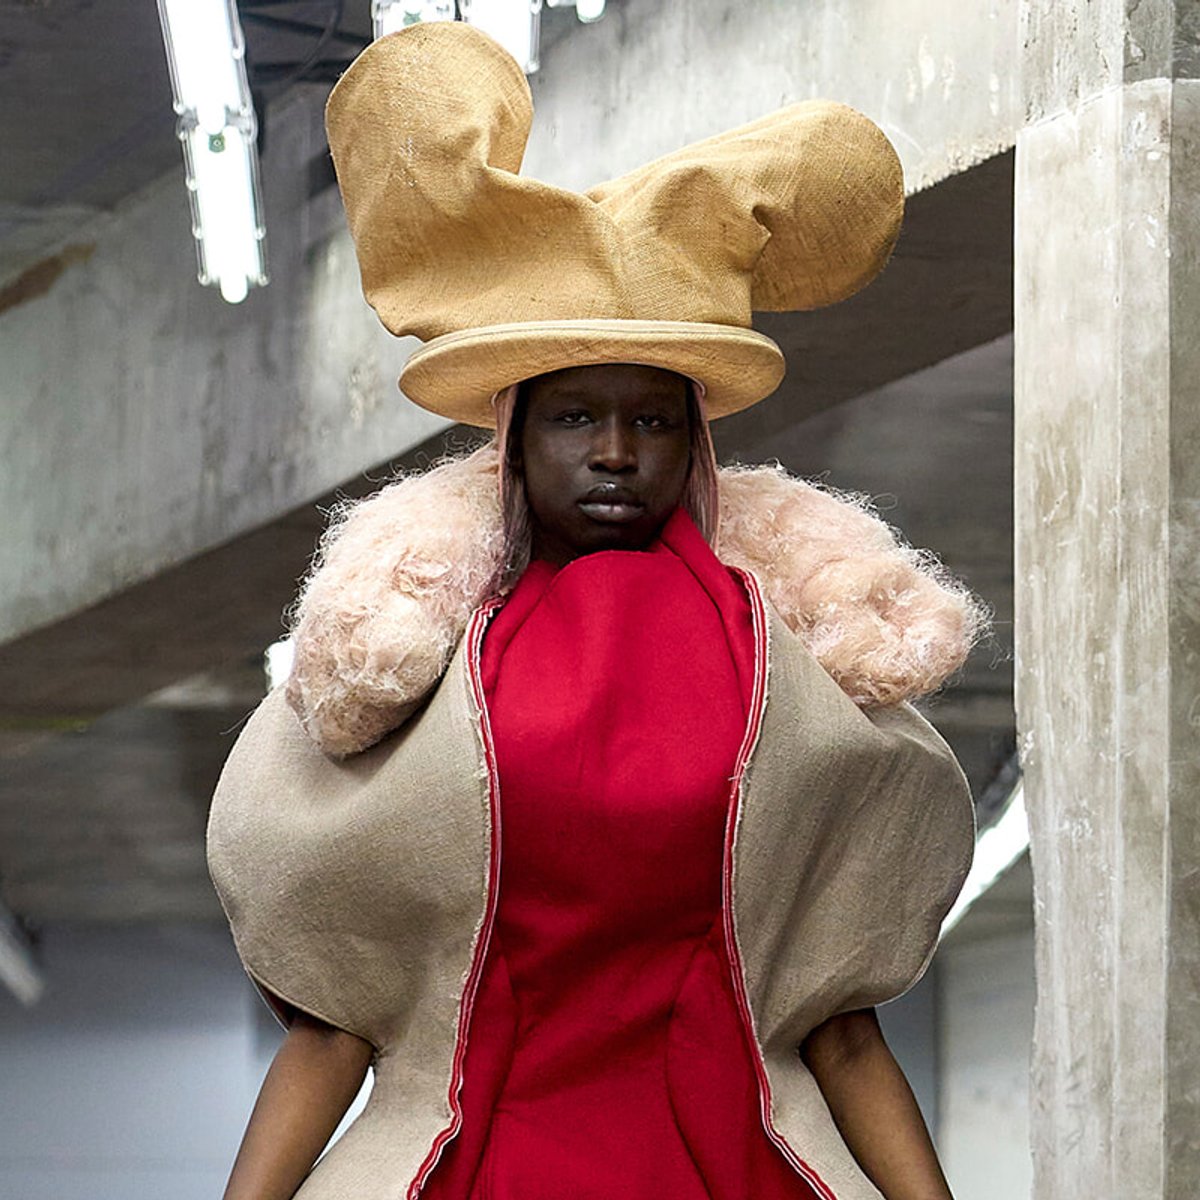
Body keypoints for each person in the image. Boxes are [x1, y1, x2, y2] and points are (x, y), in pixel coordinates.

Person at [207, 20, 982, 1200]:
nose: (616, 452)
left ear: (696, 440)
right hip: (473, 1161)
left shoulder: (799, 677)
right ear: (515, 438)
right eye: (576, 417)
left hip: (736, 1159)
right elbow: (331, 1026)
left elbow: (843, 1028)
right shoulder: (411, 670)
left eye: (654, 419)